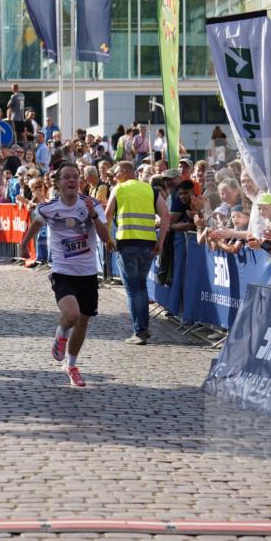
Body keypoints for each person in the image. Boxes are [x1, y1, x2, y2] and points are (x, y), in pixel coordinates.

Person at [19, 161, 111, 387]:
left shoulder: (91, 205)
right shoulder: (48, 207)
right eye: (67, 177)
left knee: (83, 322)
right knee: (71, 315)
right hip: (63, 271)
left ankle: (71, 365)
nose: (71, 180)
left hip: (88, 273)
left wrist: (93, 216)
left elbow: (105, 237)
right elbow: (36, 224)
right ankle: (60, 334)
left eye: (75, 177)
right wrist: (24, 244)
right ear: (58, 183)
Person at [105, 159, 169, 345]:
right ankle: (143, 327)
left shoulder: (119, 189)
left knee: (133, 289)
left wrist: (108, 238)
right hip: (148, 244)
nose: (115, 178)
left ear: (125, 172)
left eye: (116, 173)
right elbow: (165, 215)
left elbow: (108, 214)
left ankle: (139, 331)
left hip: (127, 243)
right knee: (141, 286)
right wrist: (161, 241)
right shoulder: (150, 189)